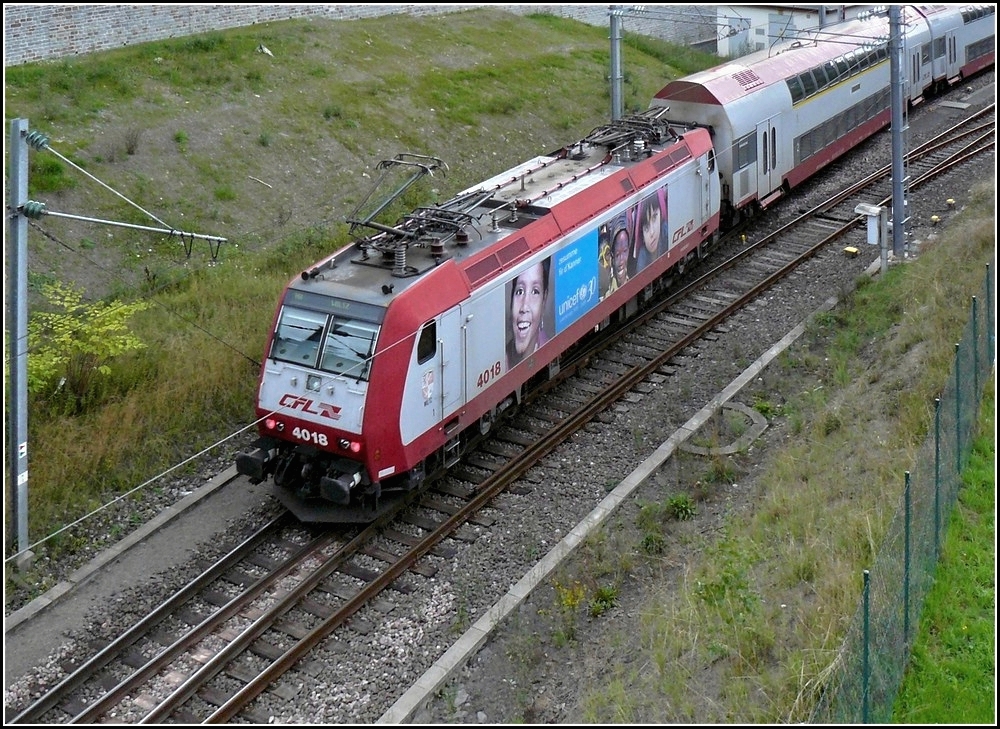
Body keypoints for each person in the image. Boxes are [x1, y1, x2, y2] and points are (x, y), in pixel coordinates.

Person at [506, 258, 550, 368]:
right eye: (519, 291)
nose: (524, 307)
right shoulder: (502, 359)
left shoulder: (547, 345)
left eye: (535, 291)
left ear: (543, 301)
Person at [633, 188, 668, 272]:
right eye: (646, 228)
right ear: (642, 236)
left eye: (655, 217)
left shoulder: (666, 232)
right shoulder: (642, 256)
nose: (652, 232)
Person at [606, 223, 632, 296]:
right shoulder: (608, 293)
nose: (621, 260)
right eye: (617, 255)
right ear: (612, 256)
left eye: (625, 251)